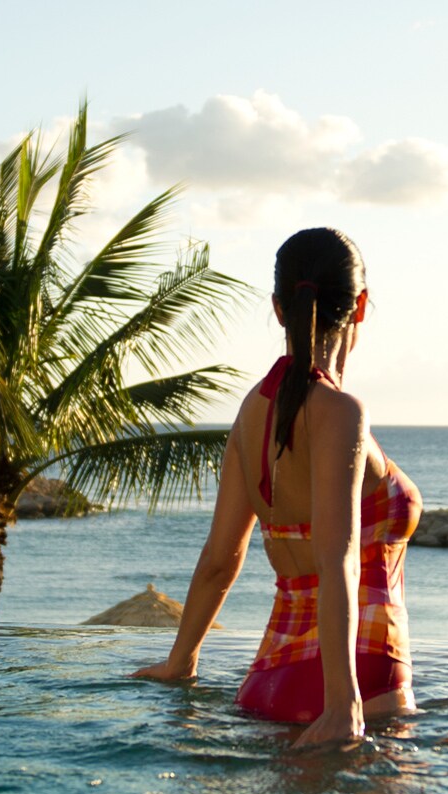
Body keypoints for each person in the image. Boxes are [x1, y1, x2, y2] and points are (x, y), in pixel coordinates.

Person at [132, 228, 420, 748]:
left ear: (278, 308)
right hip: (360, 679)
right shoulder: (341, 413)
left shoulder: (250, 414)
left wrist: (181, 661)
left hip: (267, 685)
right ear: (360, 305)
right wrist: (341, 706)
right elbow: (339, 563)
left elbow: (221, 558)